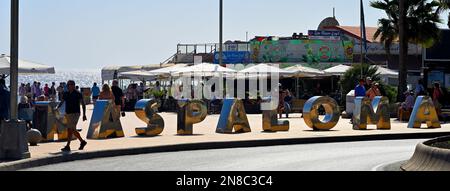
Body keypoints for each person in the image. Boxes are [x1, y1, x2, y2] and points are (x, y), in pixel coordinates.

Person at [55, 80, 87, 152]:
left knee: (70, 129)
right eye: (69, 85)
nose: (70, 86)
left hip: (75, 113)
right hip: (68, 113)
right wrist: (57, 108)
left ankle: (68, 146)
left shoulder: (78, 93)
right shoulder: (66, 94)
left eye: (71, 84)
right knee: (72, 129)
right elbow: (62, 101)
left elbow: (83, 104)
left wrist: (84, 114)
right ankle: (82, 142)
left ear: (73, 85)